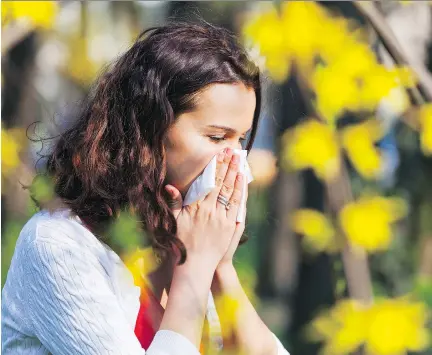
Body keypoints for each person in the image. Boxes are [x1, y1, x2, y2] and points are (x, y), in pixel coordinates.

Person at [1, 21, 290, 355]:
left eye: (241, 140)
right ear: (149, 131)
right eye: (216, 137)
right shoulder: (58, 245)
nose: (235, 159)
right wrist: (194, 268)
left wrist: (219, 268)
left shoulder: (179, 240)